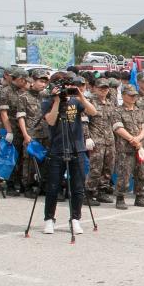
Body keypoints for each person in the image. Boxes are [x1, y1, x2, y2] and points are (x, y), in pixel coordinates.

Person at [40, 75, 98, 235]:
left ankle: (75, 219)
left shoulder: (76, 101)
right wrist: (57, 101)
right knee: (53, 187)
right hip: (57, 148)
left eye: (69, 85)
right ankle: (49, 219)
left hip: (77, 147)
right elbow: (51, 121)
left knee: (78, 187)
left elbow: (93, 111)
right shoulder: (48, 102)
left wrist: (80, 96)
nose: (67, 88)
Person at [111, 84, 144, 209]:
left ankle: (140, 197)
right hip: (125, 149)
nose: (133, 97)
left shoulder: (140, 111)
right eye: (130, 95)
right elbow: (118, 128)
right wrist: (131, 139)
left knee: (142, 174)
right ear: (123, 96)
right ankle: (120, 198)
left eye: (135, 95)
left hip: (139, 148)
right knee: (124, 175)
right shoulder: (117, 111)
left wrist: (138, 139)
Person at [84, 78, 118, 205]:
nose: (103, 90)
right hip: (96, 139)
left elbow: (114, 122)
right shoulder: (89, 102)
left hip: (109, 140)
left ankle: (102, 191)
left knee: (108, 167)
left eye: (105, 88)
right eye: (101, 88)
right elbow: (84, 121)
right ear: (95, 89)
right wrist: (87, 137)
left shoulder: (110, 103)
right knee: (96, 168)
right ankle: (88, 192)